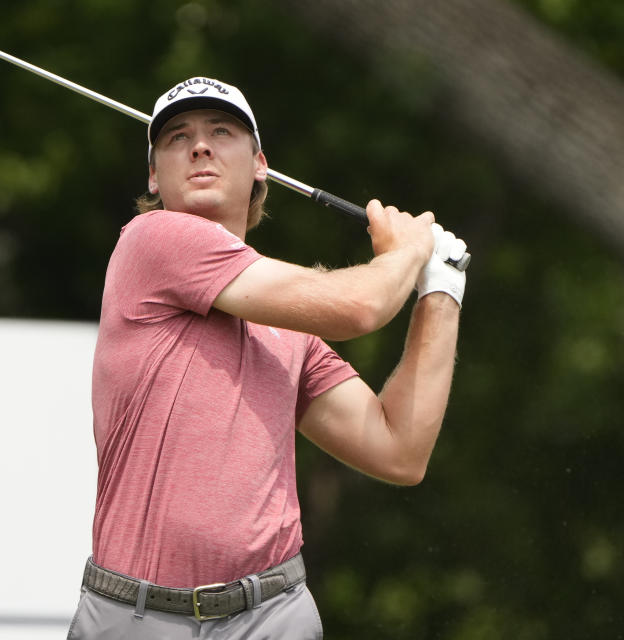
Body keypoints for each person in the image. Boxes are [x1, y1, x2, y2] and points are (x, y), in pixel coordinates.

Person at [66, 77, 468, 639]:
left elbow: (399, 450)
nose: (200, 146)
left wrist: (441, 290)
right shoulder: (154, 240)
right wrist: (408, 252)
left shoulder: (286, 326)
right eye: (177, 137)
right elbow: (360, 307)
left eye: (221, 131)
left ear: (260, 163)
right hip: (138, 616)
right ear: (154, 176)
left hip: (271, 615)